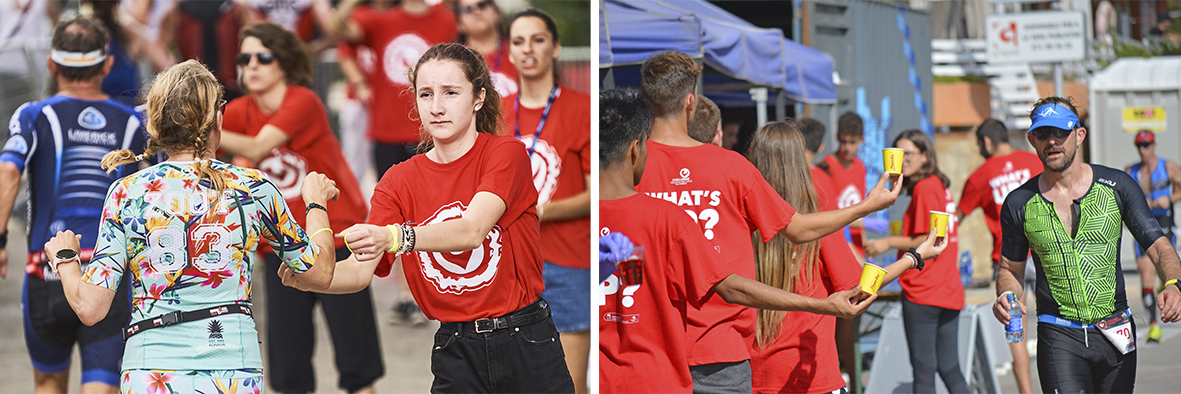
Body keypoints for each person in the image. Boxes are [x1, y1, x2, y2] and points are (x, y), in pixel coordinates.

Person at [281, 43, 575, 392]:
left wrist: (396, 237)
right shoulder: (397, 181)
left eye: (451, 93)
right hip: (455, 347)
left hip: (525, 339)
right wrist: (316, 278)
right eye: (425, 94)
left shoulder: (505, 153)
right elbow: (360, 271)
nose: (436, 107)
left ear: (478, 97)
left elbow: (472, 230)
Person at [42, 59, 340, 393]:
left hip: (150, 371)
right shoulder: (252, 187)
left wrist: (66, 260)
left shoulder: (127, 193)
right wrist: (315, 203)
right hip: (232, 369)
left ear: (154, 125)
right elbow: (320, 272)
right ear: (217, 119)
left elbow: (91, 308)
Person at [634, 50, 903, 393]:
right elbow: (798, 229)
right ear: (691, 101)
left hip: (647, 347)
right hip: (722, 353)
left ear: (643, 99)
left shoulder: (625, 168)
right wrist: (868, 209)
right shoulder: (732, 168)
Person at [216, 22, 383, 394]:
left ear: (285, 62)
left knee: (357, 364)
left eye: (264, 56)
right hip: (283, 245)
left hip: (337, 239)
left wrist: (198, 127)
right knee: (289, 370)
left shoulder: (302, 100)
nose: (252, 65)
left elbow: (260, 147)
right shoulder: (240, 109)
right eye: (245, 58)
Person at [994, 97, 1181, 393]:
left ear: (1079, 135)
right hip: (1059, 334)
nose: (1052, 141)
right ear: (1032, 139)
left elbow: (1159, 246)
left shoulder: (1118, 186)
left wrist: (1172, 283)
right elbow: (1010, 269)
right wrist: (1006, 294)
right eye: (1043, 134)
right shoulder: (1019, 203)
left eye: (1060, 131)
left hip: (1115, 330)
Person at [0, 16, 145, 394]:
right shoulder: (132, 122)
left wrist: (0, 242)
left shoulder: (34, 114)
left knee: (48, 384)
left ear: (51, 63)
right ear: (108, 64)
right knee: (102, 387)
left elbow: (8, 173)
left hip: (46, 271)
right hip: (108, 278)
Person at [746, 120, 943, 394]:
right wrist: (915, 256)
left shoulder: (739, 220)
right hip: (810, 378)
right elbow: (861, 287)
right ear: (800, 162)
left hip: (752, 376)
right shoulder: (817, 221)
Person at [501, 8, 592, 393]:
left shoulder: (583, 108)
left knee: (569, 385)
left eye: (538, 39)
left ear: (555, 47)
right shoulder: (497, 114)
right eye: (519, 41)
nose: (528, 49)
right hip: (511, 264)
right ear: (509, 51)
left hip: (569, 260)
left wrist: (541, 211)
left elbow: (596, 193)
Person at [865, 129, 969, 394]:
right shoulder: (937, 185)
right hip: (947, 290)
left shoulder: (925, 187)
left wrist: (887, 242)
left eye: (908, 154)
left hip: (925, 291)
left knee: (924, 375)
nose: (903, 160)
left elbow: (928, 237)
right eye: (899, 154)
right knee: (950, 370)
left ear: (925, 155)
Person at [319, 0, 457, 179]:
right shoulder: (380, 21)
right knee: (390, 200)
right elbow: (335, 29)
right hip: (387, 132)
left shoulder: (448, 20)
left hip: (433, 130)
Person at [957, 118, 1042, 394]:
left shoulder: (981, 175)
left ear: (986, 142)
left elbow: (955, 220)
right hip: (1043, 252)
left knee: (1017, 332)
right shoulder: (1035, 162)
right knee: (1059, 320)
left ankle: (1026, 392)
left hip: (1008, 261)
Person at [1126, 129, 1181, 344]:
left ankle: (1166, 297)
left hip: (1165, 226)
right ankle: (1153, 325)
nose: (1143, 149)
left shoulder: (1167, 167)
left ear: (1154, 145)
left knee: (1166, 273)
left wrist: (1170, 198)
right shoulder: (1132, 171)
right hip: (1143, 226)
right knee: (1146, 276)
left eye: (1147, 145)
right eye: (1139, 145)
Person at [84, 0, 174, 105]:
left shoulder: (129, 35)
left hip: (127, 116)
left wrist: (149, 102)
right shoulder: (80, 38)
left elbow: (172, 70)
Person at [818, 111, 870, 260]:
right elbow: (826, 215)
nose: (847, 147)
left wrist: (865, 245)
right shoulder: (826, 166)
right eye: (843, 141)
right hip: (838, 245)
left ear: (862, 140)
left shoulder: (860, 167)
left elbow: (860, 207)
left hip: (858, 247)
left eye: (852, 142)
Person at [456, 0, 518, 97]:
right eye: (467, 9)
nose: (476, 11)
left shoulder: (520, 50)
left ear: (496, 13)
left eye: (482, 5)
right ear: (460, 24)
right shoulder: (453, 59)